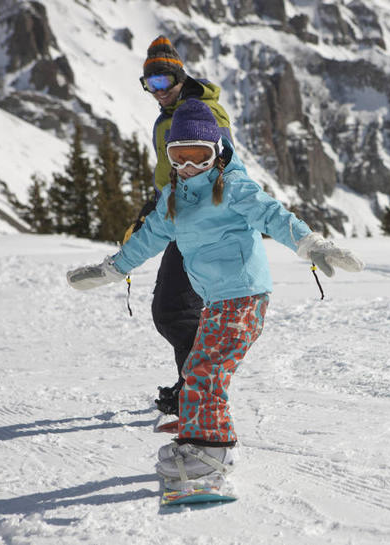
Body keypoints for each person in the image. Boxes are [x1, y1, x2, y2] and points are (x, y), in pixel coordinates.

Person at [66, 99, 364, 490]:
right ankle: (199, 442)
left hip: (243, 295)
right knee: (198, 370)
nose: (189, 166)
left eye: (199, 156)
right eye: (179, 156)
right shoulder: (173, 199)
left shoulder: (234, 187)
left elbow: (273, 215)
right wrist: (112, 269)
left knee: (205, 372)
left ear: (217, 153)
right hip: (217, 300)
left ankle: (214, 451)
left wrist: (311, 244)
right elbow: (146, 239)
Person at [128, 35, 234, 416]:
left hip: (201, 222)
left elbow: (224, 162)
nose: (157, 90)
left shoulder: (200, 112)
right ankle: (192, 384)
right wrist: (152, 208)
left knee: (173, 310)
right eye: (149, 83)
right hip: (178, 215)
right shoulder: (168, 116)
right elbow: (169, 173)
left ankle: (199, 389)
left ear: (179, 76)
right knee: (178, 309)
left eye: (163, 80)